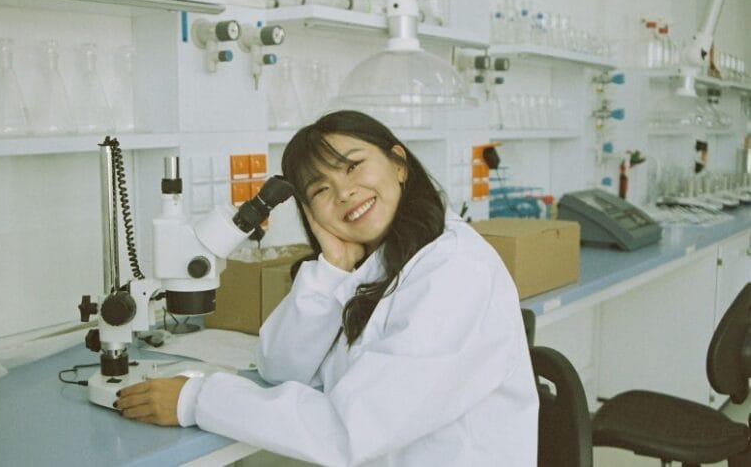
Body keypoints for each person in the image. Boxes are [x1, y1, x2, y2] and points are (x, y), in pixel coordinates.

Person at [116, 110, 539, 466]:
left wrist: (197, 400)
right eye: (320, 188)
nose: (343, 192)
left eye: (352, 166)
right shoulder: (377, 263)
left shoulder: (454, 271)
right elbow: (277, 365)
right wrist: (332, 270)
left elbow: (350, 430)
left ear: (398, 163)